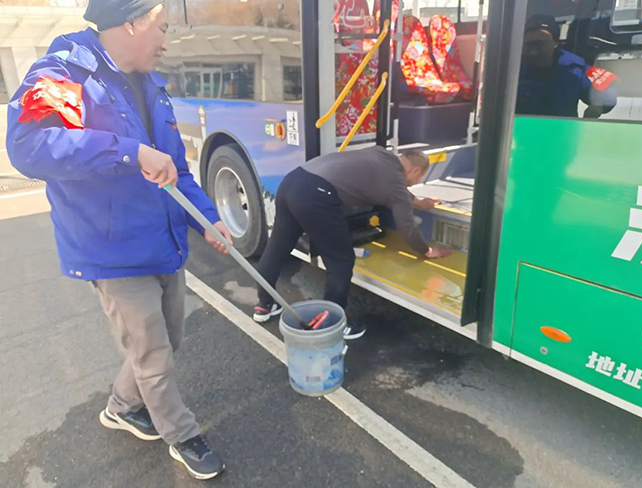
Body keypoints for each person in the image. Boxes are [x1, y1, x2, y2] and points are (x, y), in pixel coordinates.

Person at [6, 0, 231, 481]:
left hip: (162, 242)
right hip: (111, 250)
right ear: (131, 23)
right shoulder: (67, 72)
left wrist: (209, 219)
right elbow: (30, 145)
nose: (167, 41)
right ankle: (182, 434)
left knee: (168, 339)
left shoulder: (152, 85)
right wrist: (129, 152)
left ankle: (123, 406)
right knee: (154, 354)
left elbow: (177, 171)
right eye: (162, 28)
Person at [252, 147, 451, 339]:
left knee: (278, 246)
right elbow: (407, 227)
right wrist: (426, 250)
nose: (413, 184)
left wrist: (418, 202)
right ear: (415, 170)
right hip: (317, 196)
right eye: (417, 180)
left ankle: (264, 304)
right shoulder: (396, 184)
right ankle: (333, 324)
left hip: (292, 182)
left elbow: (398, 190)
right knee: (341, 260)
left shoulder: (381, 153)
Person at [517, 15, 617, 118]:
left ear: (555, 42)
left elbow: (607, 94)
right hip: (516, 126)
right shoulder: (512, 67)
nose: (533, 51)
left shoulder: (574, 67)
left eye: (540, 44)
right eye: (529, 44)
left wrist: (597, 107)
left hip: (563, 126)